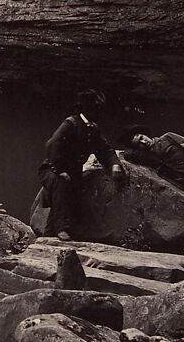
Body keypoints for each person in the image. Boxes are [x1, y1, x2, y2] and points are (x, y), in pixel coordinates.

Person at [38, 90, 124, 241]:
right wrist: (60, 170)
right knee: (61, 183)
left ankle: (49, 234)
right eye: (96, 108)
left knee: (79, 196)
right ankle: (61, 229)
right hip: (52, 169)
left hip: (74, 172)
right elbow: (51, 145)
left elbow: (105, 150)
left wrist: (114, 164)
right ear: (87, 108)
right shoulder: (71, 123)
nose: (99, 112)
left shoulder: (92, 129)